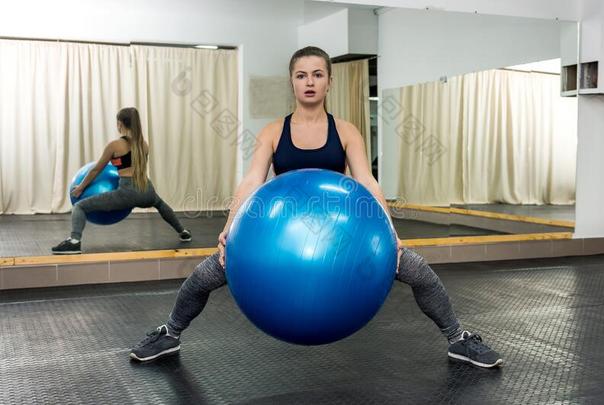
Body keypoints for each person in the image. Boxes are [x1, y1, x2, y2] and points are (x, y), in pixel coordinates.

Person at [130, 47, 503, 368]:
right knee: (205, 275)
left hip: (341, 238)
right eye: (301, 75)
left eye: (318, 74)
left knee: (418, 270)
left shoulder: (346, 131)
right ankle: (171, 333)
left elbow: (367, 181)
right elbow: (251, 182)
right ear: (292, 82)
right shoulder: (274, 131)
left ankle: (459, 339)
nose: (309, 81)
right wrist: (229, 230)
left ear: (329, 82)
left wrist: (390, 232)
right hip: (280, 237)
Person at [52, 107, 192, 254]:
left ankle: (74, 241)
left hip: (127, 192)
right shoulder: (144, 144)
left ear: (120, 123)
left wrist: (81, 187)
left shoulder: (115, 145)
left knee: (79, 207)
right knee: (160, 204)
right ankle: (183, 231)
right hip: (147, 189)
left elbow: (96, 169)